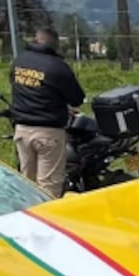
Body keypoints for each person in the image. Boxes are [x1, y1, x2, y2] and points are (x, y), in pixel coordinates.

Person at [7, 26, 86, 198]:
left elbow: (21, 88)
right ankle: (46, 221)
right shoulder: (57, 67)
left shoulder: (19, 61)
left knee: (27, 183)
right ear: (54, 44)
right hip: (47, 133)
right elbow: (77, 98)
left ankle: (27, 217)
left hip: (21, 130)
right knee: (48, 186)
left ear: (36, 39)